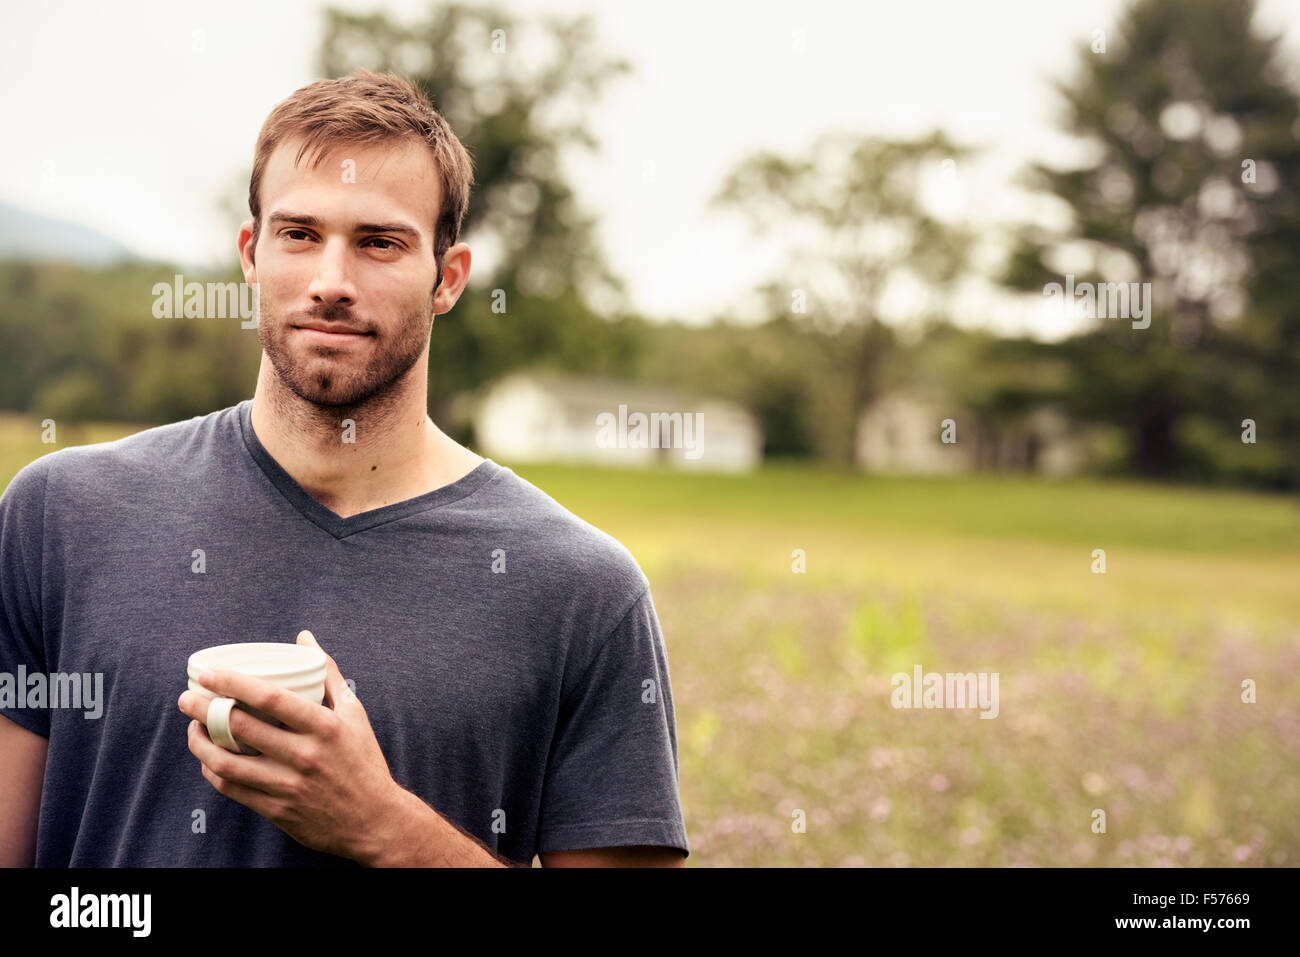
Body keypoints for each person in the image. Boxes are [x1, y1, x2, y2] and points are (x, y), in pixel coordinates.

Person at [0, 71, 688, 868]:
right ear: (252, 255)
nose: (331, 282)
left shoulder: (582, 592)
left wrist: (384, 828)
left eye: (379, 242)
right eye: (298, 234)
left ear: (449, 277)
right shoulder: (59, 517)